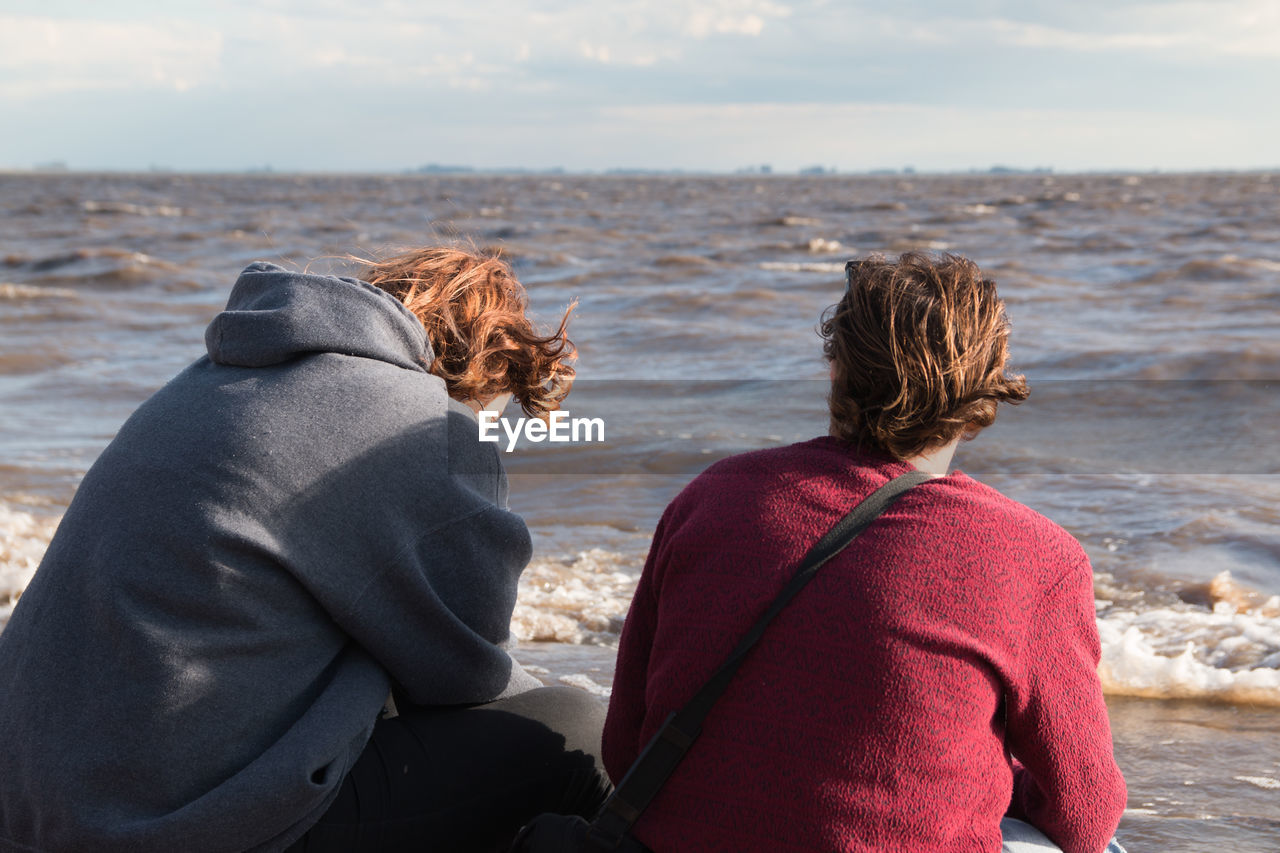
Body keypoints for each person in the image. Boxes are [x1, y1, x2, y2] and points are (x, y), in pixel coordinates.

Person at [0, 247, 610, 853]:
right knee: (583, 733)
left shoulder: (208, 379)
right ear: (487, 366)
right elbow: (467, 675)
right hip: (170, 825)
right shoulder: (422, 424)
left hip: (32, 804)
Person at [602, 253, 1127, 853]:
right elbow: (1085, 813)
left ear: (836, 368)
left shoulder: (712, 496)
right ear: (989, 384)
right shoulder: (1033, 555)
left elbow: (625, 749)